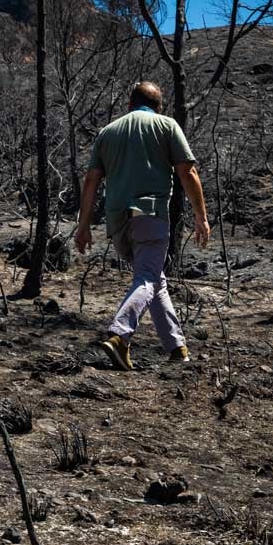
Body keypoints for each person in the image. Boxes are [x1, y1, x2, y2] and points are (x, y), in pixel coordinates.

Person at [75, 81, 211, 370]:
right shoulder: (166, 125)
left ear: (129, 104)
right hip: (149, 214)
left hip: (118, 220)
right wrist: (201, 216)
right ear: (159, 106)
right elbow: (188, 171)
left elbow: (91, 181)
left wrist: (83, 225)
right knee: (147, 278)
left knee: (154, 279)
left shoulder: (107, 132)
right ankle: (119, 335)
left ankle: (177, 348)